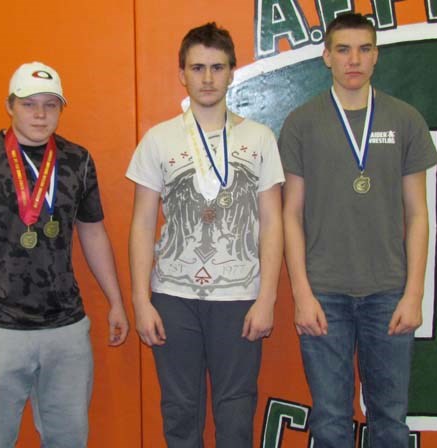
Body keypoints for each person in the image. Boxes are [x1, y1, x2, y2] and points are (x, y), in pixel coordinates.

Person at [0, 61, 129, 447]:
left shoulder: (77, 161)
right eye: (29, 103)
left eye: (51, 104)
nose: (41, 114)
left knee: (69, 440)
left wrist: (115, 300)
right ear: (9, 105)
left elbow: (93, 232)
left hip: (66, 330)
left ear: (62, 108)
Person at [278, 13, 437, 448]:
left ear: (376, 57)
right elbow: (290, 214)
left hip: (388, 293)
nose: (354, 60)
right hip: (323, 293)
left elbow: (419, 214)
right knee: (330, 420)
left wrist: (413, 293)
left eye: (364, 49)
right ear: (327, 56)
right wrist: (302, 293)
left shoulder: (405, 120)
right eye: (344, 49)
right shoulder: (302, 123)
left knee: (390, 419)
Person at [127, 22, 284, 447]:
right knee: (180, 411)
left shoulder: (260, 138)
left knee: (236, 413)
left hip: (238, 297)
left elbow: (273, 222)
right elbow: (142, 224)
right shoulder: (158, 140)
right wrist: (141, 301)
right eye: (198, 68)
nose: (208, 78)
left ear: (233, 71)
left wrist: (266, 298)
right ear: (182, 73)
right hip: (174, 297)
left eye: (217, 67)